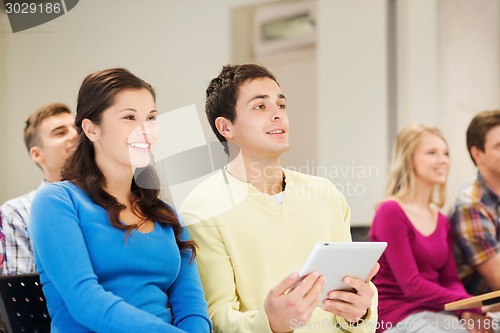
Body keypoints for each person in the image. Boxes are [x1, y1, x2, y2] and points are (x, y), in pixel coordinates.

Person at [181, 64, 379, 333]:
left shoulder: (326, 194)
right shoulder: (202, 209)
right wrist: (271, 324)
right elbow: (215, 317)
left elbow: (357, 300)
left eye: (281, 105)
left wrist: (359, 313)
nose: (278, 115)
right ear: (226, 127)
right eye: (260, 107)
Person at [28, 68, 212, 332]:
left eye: (151, 118)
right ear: (91, 129)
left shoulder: (167, 215)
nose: (145, 130)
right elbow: (85, 301)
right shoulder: (57, 202)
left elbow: (192, 307)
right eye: (129, 117)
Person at [369, 124, 492, 333]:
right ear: (409, 160)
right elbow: (412, 284)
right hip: (398, 317)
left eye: (445, 153)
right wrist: (469, 303)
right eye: (431, 153)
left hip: (437, 313)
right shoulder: (390, 212)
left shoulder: (441, 219)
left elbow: (450, 279)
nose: (442, 160)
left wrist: (466, 312)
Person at [0, 103, 77, 275]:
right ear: (37, 154)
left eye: (75, 128)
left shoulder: (107, 201)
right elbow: (21, 297)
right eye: (60, 132)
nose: (75, 135)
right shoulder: (16, 213)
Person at [449, 110, 500, 297]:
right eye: (499, 146)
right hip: (481, 312)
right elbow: (498, 280)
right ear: (478, 154)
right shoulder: (470, 206)